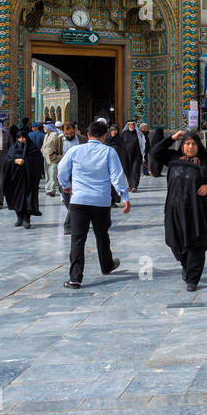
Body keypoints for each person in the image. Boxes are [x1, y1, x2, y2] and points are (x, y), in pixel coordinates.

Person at [58, 119, 127, 289]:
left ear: (88, 135)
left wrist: (66, 186)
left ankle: (75, 278)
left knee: (77, 239)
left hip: (79, 200)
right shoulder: (109, 152)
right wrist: (124, 197)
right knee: (102, 235)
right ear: (104, 136)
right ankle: (106, 265)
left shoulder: (75, 150)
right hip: (101, 201)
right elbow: (117, 176)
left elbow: (61, 169)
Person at [150, 130, 207, 291]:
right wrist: (171, 138)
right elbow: (154, 152)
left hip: (197, 211)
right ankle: (185, 263)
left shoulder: (205, 162)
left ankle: (193, 279)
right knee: (176, 242)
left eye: (193, 144)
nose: (190, 147)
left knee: (196, 243)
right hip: (175, 210)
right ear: (182, 145)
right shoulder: (173, 158)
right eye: (187, 143)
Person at [4, 128, 45, 228]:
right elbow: (7, 160)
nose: (21, 140)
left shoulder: (33, 148)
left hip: (29, 179)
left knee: (28, 198)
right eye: (19, 138)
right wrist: (15, 161)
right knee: (17, 198)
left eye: (23, 137)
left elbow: (38, 160)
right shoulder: (13, 148)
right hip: (16, 179)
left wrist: (25, 161)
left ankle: (27, 219)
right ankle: (19, 217)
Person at [117, 121, 145, 192]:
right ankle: (130, 185)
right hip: (126, 155)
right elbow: (120, 144)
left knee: (135, 170)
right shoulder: (124, 133)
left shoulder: (138, 133)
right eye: (130, 125)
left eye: (133, 125)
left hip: (136, 155)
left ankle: (135, 186)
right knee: (128, 170)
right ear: (128, 125)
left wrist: (143, 155)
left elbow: (143, 144)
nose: (132, 126)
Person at [42, 122, 66, 197]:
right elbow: (44, 145)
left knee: (52, 173)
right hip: (45, 156)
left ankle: (51, 189)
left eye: (45, 127)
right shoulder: (46, 135)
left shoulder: (55, 135)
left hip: (52, 156)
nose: (44, 129)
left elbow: (54, 145)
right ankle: (47, 188)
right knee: (47, 172)